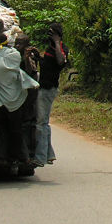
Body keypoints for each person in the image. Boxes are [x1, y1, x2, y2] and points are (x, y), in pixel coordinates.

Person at [0, 33, 39, 165]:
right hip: (15, 100)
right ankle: (15, 157)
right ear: (8, 43)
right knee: (15, 129)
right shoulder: (15, 55)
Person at [32, 23, 69, 167]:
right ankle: (49, 154)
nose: (49, 35)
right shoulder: (50, 49)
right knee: (44, 122)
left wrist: (57, 42)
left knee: (41, 123)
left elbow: (60, 61)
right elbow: (47, 64)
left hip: (48, 89)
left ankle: (40, 158)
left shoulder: (61, 49)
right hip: (44, 87)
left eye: (52, 33)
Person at [14, 33, 40, 158]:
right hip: (18, 94)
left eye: (20, 43)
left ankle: (29, 151)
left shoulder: (31, 56)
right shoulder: (13, 55)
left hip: (29, 95)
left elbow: (30, 71)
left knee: (28, 122)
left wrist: (26, 57)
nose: (17, 45)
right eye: (16, 43)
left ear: (26, 45)